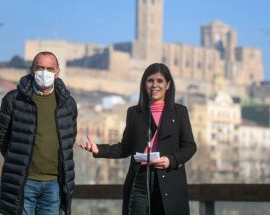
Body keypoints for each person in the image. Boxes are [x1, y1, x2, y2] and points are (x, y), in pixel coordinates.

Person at [78, 63, 196, 215]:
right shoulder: (134, 113)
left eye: (160, 81)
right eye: (150, 80)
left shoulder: (179, 112)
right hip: (139, 180)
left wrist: (170, 159)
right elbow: (125, 148)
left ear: (168, 84)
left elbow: (190, 146)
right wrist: (99, 149)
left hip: (169, 179)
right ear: (144, 84)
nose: (155, 85)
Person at [0, 51, 77, 215]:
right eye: (40, 68)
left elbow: (69, 138)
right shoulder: (14, 99)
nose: (45, 72)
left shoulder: (68, 103)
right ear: (32, 70)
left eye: (50, 68)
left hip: (54, 184)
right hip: (23, 181)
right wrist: (18, 161)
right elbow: (2, 137)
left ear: (57, 73)